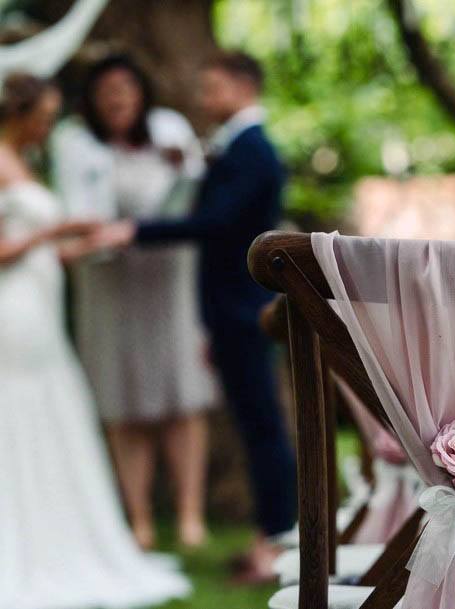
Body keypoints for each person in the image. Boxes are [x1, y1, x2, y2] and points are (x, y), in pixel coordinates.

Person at [93, 50, 297, 583]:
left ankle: (279, 544)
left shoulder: (253, 151)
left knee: (264, 429)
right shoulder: (234, 149)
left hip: (244, 311)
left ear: (241, 87)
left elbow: (215, 223)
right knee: (257, 427)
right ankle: (270, 539)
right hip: (227, 313)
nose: (203, 99)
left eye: (211, 87)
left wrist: (134, 230)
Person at [0, 72, 191, 609]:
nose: (50, 123)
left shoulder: (26, 163)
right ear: (21, 113)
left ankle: (57, 532)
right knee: (16, 407)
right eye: (46, 112)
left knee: (49, 406)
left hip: (39, 308)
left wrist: (84, 241)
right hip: (11, 314)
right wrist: (49, 233)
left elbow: (41, 251)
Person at [52, 54, 217, 550]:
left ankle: (191, 516)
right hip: (109, 286)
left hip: (170, 281)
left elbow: (199, 196)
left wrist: (181, 167)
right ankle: (138, 518)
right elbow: (76, 209)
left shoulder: (170, 128)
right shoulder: (75, 143)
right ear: (92, 99)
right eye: (106, 89)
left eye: (125, 86)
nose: (117, 97)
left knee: (182, 399)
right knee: (124, 405)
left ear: (141, 91)